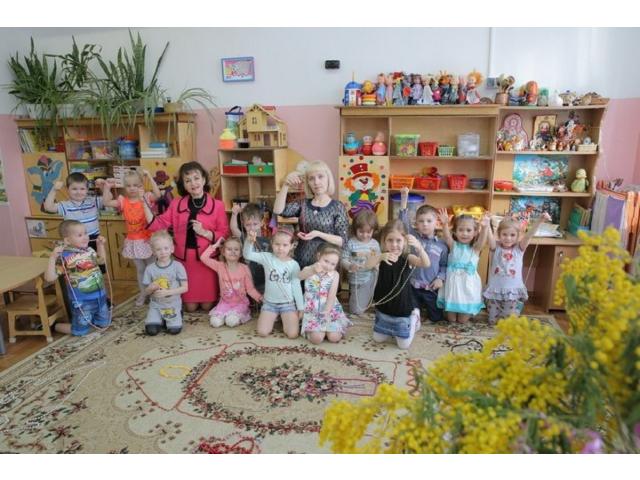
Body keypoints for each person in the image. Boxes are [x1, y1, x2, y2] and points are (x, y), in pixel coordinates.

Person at [143, 162, 230, 313]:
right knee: (190, 308)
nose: (193, 183)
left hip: (207, 261)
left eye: (196, 178)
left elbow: (224, 233)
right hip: (185, 262)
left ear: (204, 180)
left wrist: (205, 232)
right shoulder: (176, 203)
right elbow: (159, 224)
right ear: (183, 185)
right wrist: (143, 203)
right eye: (188, 180)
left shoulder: (218, 205)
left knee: (207, 306)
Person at [365, 219, 431, 349]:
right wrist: (380, 257)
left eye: (398, 240)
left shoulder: (407, 258)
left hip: (402, 306)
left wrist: (419, 248)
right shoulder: (382, 256)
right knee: (378, 339)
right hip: (384, 305)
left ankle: (414, 318)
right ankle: (390, 328)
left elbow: (426, 264)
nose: (394, 245)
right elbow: (367, 265)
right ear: (384, 241)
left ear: (405, 241)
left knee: (403, 345)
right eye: (390, 240)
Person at [273, 160, 349, 270]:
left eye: (320, 177)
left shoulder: (337, 207)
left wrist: (318, 234)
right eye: (311, 178)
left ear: (328, 178)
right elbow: (278, 210)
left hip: (325, 266)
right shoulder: (303, 204)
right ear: (308, 183)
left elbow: (343, 241)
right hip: (301, 261)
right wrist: (286, 185)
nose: (316, 182)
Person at [101, 169, 161, 306]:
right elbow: (106, 202)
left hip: (148, 240)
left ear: (141, 185)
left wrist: (149, 176)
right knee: (140, 270)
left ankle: (155, 293)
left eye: (136, 185)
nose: (132, 188)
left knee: (152, 268)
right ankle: (143, 293)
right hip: (134, 241)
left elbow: (158, 195)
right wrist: (107, 188)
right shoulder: (123, 201)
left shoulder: (146, 197)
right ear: (124, 187)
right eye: (128, 186)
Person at [44, 220, 110, 336]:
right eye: (80, 235)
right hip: (82, 302)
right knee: (80, 331)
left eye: (85, 233)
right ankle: (55, 326)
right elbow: (49, 278)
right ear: (67, 240)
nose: (85, 237)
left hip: (100, 297)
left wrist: (100, 245)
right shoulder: (64, 257)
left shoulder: (89, 250)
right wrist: (52, 258)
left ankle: (92, 319)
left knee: (104, 324)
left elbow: (101, 261)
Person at [484, 212, 552, 324]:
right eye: (504, 234)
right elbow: (489, 236)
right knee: (492, 321)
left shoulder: (519, 249)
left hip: (512, 291)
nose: (508, 238)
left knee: (508, 322)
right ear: (499, 234)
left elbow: (529, 235)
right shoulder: (495, 247)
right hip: (495, 290)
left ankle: (514, 313)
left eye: (512, 235)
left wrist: (540, 221)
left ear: (517, 236)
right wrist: (486, 223)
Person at [242, 228, 304, 338]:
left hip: (288, 304)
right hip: (270, 304)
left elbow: (296, 287)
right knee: (262, 332)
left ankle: (284, 318)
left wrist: (300, 307)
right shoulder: (267, 257)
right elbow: (247, 255)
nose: (280, 248)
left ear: (292, 246)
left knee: (292, 334)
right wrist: (249, 241)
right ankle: (276, 317)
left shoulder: (294, 265)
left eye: (285, 245)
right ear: (272, 243)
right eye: (277, 244)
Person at [399, 188, 448, 322]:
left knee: (436, 318)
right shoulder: (413, 236)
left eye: (429, 221)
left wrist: (440, 279)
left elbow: (444, 265)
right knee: (411, 315)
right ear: (416, 223)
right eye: (421, 221)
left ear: (436, 222)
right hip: (413, 287)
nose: (425, 224)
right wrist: (404, 199)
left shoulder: (442, 245)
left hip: (431, 288)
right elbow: (403, 222)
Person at [436, 209, 491, 323]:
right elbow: (447, 237)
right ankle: (451, 311)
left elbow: (482, 241)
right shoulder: (453, 245)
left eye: (468, 230)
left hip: (467, 287)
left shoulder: (475, 249)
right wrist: (445, 224)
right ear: (455, 232)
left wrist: (485, 227)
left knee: (462, 321)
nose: (464, 233)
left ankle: (466, 311)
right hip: (453, 286)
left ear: (475, 232)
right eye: (460, 230)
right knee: (451, 319)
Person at [200, 236, 263, 327]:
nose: (233, 251)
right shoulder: (220, 266)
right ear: (223, 252)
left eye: (236, 249)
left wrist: (260, 298)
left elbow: (250, 289)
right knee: (215, 322)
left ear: (240, 253)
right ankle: (225, 315)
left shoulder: (244, 268)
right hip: (224, 303)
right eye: (229, 249)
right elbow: (203, 258)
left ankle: (241, 315)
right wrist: (215, 245)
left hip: (240, 303)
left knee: (231, 321)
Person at [299, 243, 351, 344]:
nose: (328, 266)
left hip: (329, 307)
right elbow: (299, 277)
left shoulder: (335, 275)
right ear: (319, 256)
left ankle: (331, 330)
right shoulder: (308, 269)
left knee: (334, 338)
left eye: (333, 264)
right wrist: (312, 270)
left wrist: (327, 312)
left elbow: (332, 296)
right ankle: (316, 331)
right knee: (317, 339)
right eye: (326, 261)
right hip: (312, 308)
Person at [142, 230, 188, 336]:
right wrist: (150, 288)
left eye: (166, 248)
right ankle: (159, 318)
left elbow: (185, 288)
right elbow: (146, 291)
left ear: (172, 249)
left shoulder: (178, 266)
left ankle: (178, 313)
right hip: (156, 305)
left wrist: (167, 292)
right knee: (151, 331)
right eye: (158, 249)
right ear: (153, 251)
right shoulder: (150, 269)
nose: (163, 252)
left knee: (173, 331)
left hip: (173, 304)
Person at [340, 209, 380, 315]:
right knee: (356, 311)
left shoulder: (375, 244)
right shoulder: (351, 243)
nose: (365, 235)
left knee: (368, 298)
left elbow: (377, 259)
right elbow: (343, 259)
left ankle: (367, 300)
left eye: (368, 232)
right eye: (361, 232)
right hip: (356, 280)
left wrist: (377, 265)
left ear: (373, 230)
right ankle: (361, 302)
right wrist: (350, 266)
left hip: (370, 278)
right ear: (355, 229)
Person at [230, 202, 270, 294]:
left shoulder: (267, 240)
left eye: (255, 224)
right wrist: (234, 214)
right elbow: (233, 228)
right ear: (243, 224)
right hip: (246, 279)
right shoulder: (243, 237)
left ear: (261, 222)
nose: (252, 227)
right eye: (248, 225)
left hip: (264, 280)